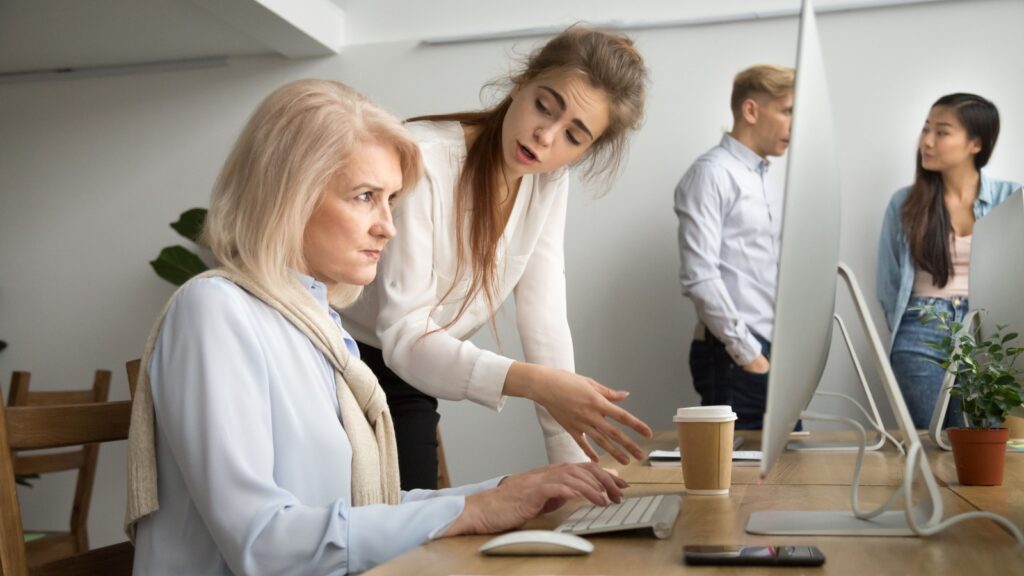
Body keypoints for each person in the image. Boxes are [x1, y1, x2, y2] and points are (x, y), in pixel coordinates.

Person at [125, 79, 628, 575]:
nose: (388, 225)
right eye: (365, 196)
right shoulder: (214, 311)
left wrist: (507, 491)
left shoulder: (316, 324)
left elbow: (363, 505)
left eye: (390, 200)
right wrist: (470, 511)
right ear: (290, 194)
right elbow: (263, 543)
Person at [342, 25, 652, 490]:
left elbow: (544, 319)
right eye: (544, 106)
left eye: (574, 135)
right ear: (521, 82)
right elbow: (405, 332)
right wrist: (534, 382)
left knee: (417, 530)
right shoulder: (424, 159)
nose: (545, 136)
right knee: (386, 537)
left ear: (586, 151)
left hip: (414, 373)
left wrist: (577, 466)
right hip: (345, 357)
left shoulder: (549, 182)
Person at [877, 93, 1019, 430]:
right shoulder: (905, 203)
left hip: (988, 329)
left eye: (942, 132)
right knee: (932, 441)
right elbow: (888, 283)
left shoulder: (1011, 199)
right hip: (921, 328)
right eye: (926, 129)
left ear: (975, 143)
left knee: (984, 442)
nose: (926, 141)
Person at [673, 64, 794, 430]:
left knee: (786, 474)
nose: (794, 124)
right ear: (751, 110)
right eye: (788, 111)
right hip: (735, 353)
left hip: (768, 348)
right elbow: (699, 277)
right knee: (740, 483)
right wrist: (749, 355)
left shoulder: (766, 179)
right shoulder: (711, 174)